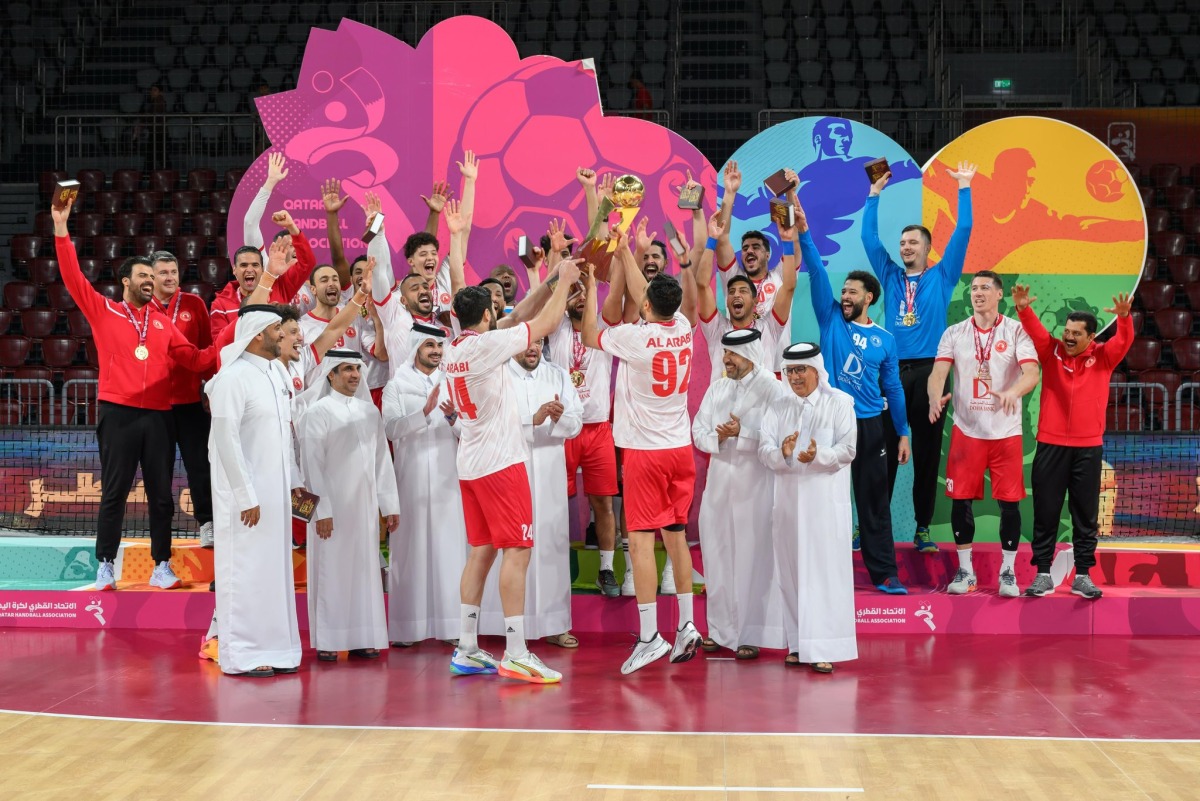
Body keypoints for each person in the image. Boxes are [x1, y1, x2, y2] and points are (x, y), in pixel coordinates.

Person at [52, 198, 217, 593]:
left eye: (152, 276)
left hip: (160, 416)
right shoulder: (104, 311)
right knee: (114, 493)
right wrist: (61, 228)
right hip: (118, 414)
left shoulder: (162, 325)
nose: (149, 281)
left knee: (162, 496)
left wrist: (236, 338)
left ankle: (162, 565)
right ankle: (105, 564)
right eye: (143, 275)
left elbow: (195, 360)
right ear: (126, 281)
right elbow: (74, 277)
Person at [444, 250, 580, 684]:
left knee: (481, 552)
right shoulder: (488, 346)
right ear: (486, 313)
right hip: (502, 464)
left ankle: (466, 648)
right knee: (517, 552)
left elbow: (518, 314)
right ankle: (516, 652)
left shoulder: (457, 348)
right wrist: (566, 282)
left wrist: (550, 278)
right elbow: (541, 325)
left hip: (470, 464)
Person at [580, 232, 702, 676]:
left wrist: (593, 284)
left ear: (647, 307)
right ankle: (687, 624)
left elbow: (591, 334)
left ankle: (650, 636)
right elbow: (643, 292)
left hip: (646, 454)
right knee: (677, 535)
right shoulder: (684, 328)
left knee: (643, 543)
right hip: (679, 449)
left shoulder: (635, 338)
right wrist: (624, 249)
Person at [863, 161, 976, 553]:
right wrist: (874, 194)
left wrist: (963, 187)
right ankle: (872, 528)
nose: (905, 246)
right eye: (903, 242)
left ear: (928, 249)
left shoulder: (942, 277)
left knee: (926, 454)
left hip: (931, 373)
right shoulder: (890, 275)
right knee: (883, 453)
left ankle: (923, 528)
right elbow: (869, 239)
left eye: (913, 242)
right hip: (890, 373)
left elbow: (963, 231)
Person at [801, 215, 911, 594]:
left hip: (869, 425)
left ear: (869, 298)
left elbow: (893, 388)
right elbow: (815, 270)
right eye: (843, 291)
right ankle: (816, 572)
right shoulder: (830, 318)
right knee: (820, 499)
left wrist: (903, 432)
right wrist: (803, 229)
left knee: (873, 503)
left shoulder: (884, 339)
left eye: (852, 292)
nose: (844, 296)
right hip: (828, 422)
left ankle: (884, 573)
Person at [1013, 285, 1133, 600]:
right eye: (1066, 331)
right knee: (1046, 511)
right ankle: (1042, 574)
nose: (1068, 337)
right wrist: (1024, 308)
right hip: (1050, 446)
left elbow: (1124, 340)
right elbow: (1035, 329)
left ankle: (1082, 575)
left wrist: (1124, 319)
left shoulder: (1104, 357)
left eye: (1076, 333)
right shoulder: (1049, 351)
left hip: (1088, 449)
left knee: (1085, 514)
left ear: (1090, 337)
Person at [927, 271, 1040, 597]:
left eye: (985, 288)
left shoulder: (1016, 331)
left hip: (1005, 433)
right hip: (967, 431)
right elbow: (938, 372)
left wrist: (1013, 392)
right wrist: (935, 395)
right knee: (960, 501)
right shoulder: (954, 332)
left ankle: (1007, 573)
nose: (978, 293)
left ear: (999, 294)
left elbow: (1032, 372)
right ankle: (966, 572)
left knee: (1009, 504)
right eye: (974, 288)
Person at [206, 305, 302, 677]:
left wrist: (299, 497)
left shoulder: (276, 372)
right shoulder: (234, 378)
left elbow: (283, 440)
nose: (285, 335)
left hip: (276, 498)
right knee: (244, 572)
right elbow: (226, 442)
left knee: (273, 573)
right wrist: (246, 496)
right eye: (279, 329)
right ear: (259, 333)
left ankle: (279, 649)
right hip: (246, 500)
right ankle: (242, 654)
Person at [759, 343, 858, 673]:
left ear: (817, 369)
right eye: (790, 371)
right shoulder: (777, 405)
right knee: (790, 572)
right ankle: (799, 644)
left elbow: (848, 449)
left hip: (825, 508)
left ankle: (825, 647)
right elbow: (765, 450)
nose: (795, 376)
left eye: (801, 369)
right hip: (787, 504)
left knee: (823, 576)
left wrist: (818, 455)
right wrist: (785, 455)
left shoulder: (840, 403)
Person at [480, 340, 583, 646]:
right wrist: (532, 420)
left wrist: (558, 418)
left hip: (550, 472)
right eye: (526, 343)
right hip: (510, 470)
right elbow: (487, 425)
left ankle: (554, 624)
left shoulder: (558, 375)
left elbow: (576, 421)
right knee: (511, 548)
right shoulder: (497, 375)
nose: (533, 349)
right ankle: (506, 627)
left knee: (551, 546)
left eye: (538, 343)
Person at [298, 351, 400, 661]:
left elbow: (381, 461)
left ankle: (362, 636)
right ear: (331, 374)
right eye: (347, 369)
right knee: (331, 570)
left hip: (364, 510)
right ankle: (329, 640)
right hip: (331, 511)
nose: (355, 375)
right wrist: (321, 511)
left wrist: (389, 504)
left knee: (364, 571)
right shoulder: (316, 413)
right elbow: (310, 468)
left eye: (357, 368)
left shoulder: (370, 413)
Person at [544, 225, 627, 598]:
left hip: (597, 430)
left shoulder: (603, 334)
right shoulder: (556, 329)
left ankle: (606, 570)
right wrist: (556, 256)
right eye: (573, 293)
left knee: (603, 502)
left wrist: (593, 281)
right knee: (554, 501)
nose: (578, 298)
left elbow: (605, 288)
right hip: (561, 429)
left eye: (584, 293)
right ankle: (553, 566)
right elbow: (549, 290)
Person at [692, 328, 784, 659]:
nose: (725, 359)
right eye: (724, 354)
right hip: (719, 485)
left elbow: (779, 436)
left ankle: (750, 633)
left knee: (752, 558)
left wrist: (741, 433)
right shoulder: (718, 389)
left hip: (755, 486)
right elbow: (698, 429)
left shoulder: (773, 389)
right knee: (717, 555)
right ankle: (719, 631)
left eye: (731, 354)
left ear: (748, 353)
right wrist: (718, 438)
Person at [381, 323, 468, 646]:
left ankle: (451, 627)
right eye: (429, 345)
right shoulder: (397, 384)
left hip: (448, 477)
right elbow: (391, 429)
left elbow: (470, 429)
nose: (435, 351)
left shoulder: (453, 383)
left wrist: (453, 419)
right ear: (416, 347)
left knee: (450, 549)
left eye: (439, 346)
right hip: (411, 477)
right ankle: (408, 628)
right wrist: (423, 413)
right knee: (410, 549)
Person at [149, 250, 215, 548]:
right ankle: (161, 533)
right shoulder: (142, 307)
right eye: (163, 272)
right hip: (154, 405)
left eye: (173, 271)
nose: (169, 277)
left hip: (190, 403)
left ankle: (208, 523)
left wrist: (210, 389)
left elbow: (207, 350)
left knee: (200, 466)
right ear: (151, 276)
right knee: (158, 471)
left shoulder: (194, 303)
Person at [210, 207, 313, 340]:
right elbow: (220, 344)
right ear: (234, 270)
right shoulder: (220, 304)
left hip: (278, 359)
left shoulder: (281, 286)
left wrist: (291, 227)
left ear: (262, 268)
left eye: (255, 265)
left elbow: (307, 263)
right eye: (243, 265)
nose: (249, 269)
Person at [713, 161, 783, 320]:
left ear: (767, 254)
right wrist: (729, 194)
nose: (749, 250)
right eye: (745, 248)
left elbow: (794, 242)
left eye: (756, 247)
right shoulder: (732, 277)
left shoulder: (780, 277)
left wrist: (790, 193)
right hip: (737, 345)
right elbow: (722, 236)